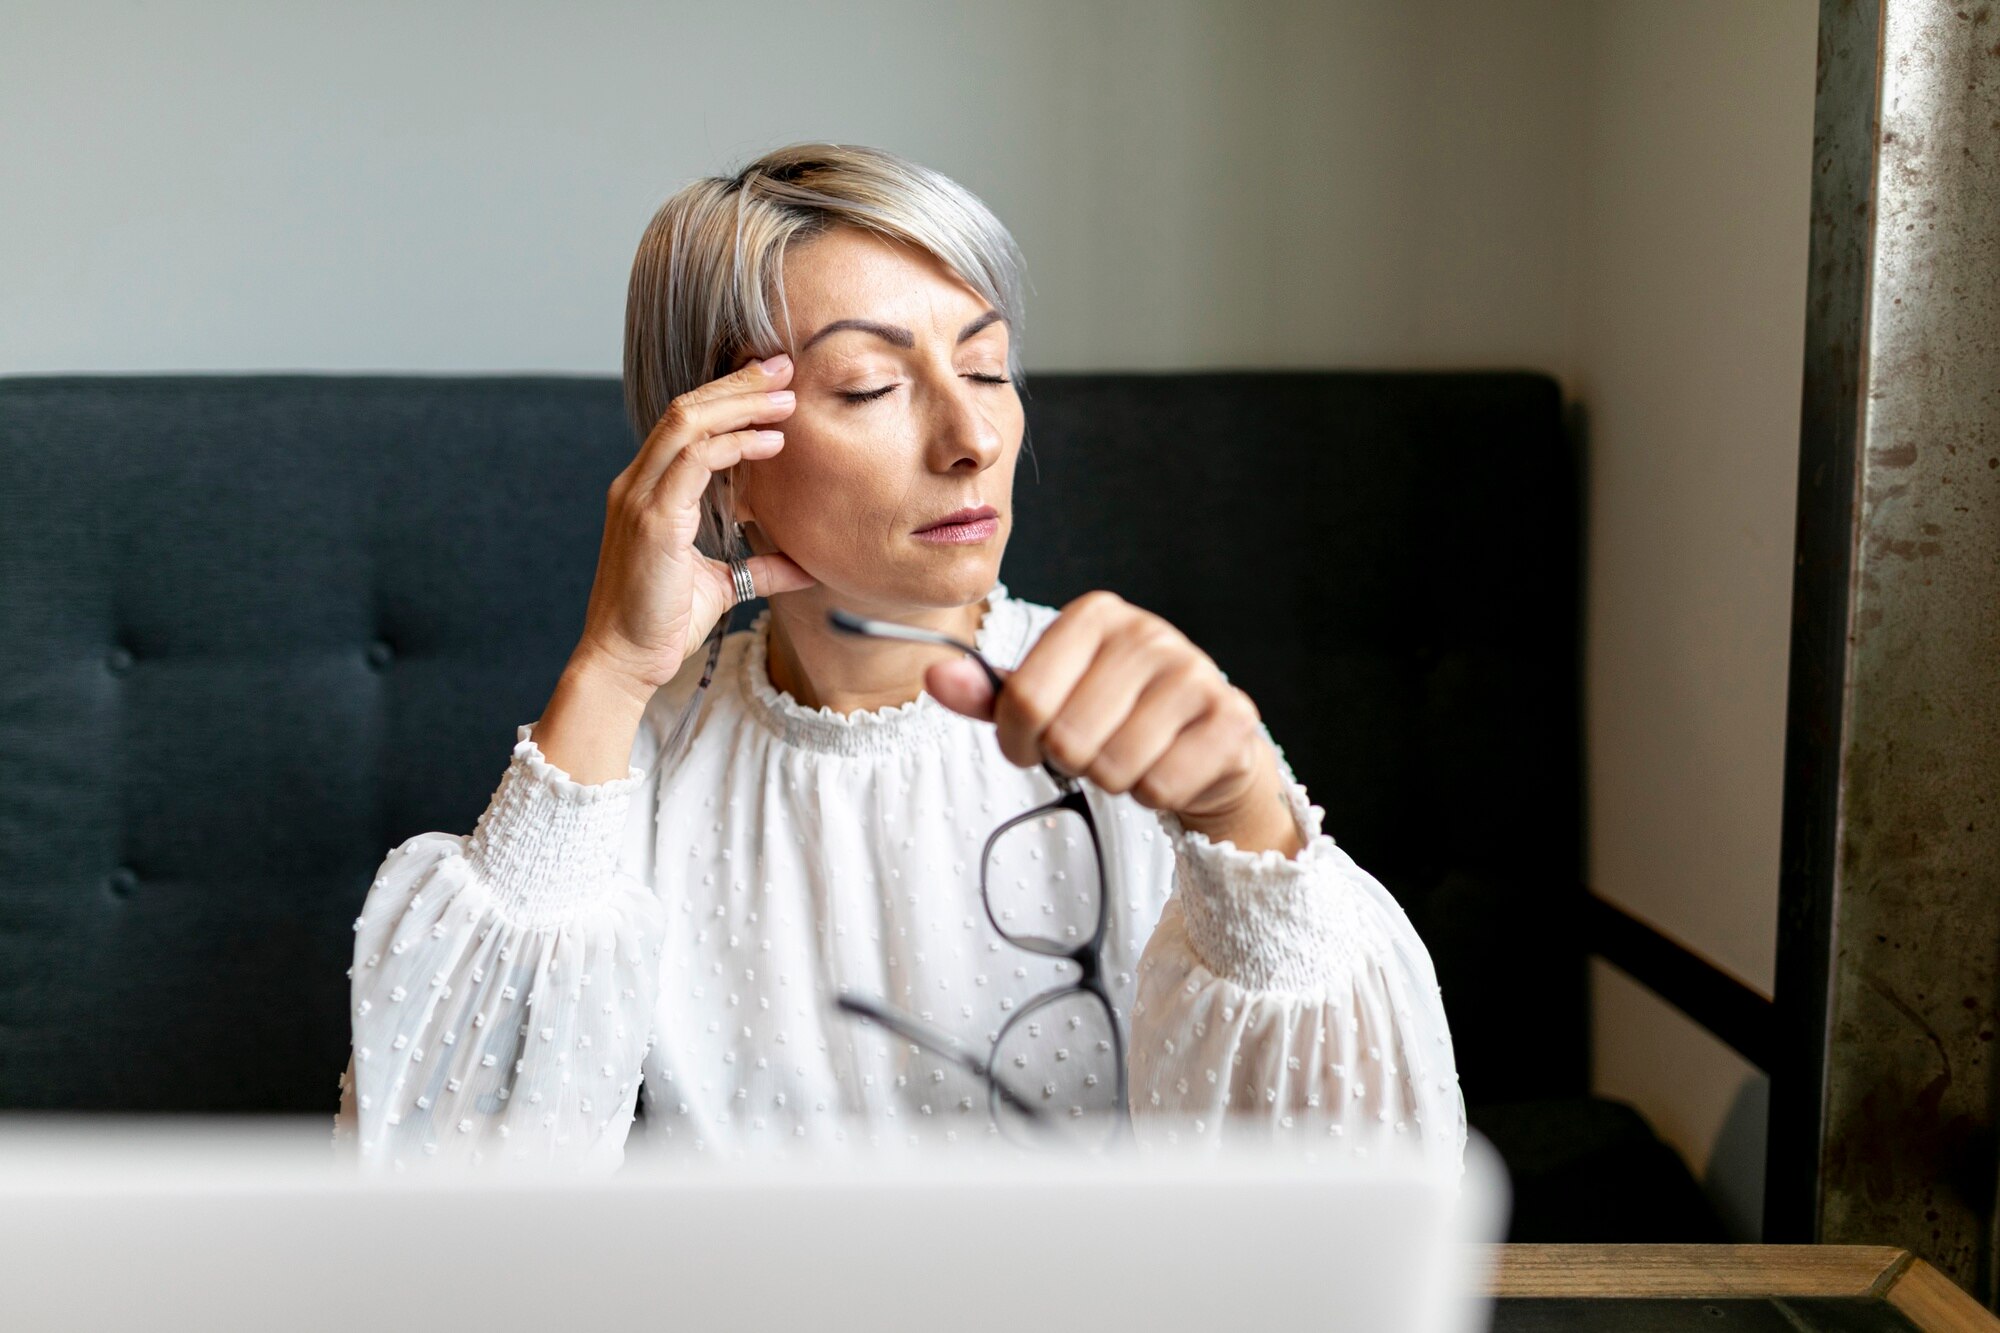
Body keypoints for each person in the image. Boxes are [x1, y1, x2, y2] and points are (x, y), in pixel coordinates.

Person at [333, 142, 1465, 1173]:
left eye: (985, 368)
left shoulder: (1127, 714)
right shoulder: (647, 768)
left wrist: (1243, 821)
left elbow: (1359, 1197)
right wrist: (613, 671)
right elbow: (437, 1199)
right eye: (871, 385)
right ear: (726, 457)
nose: (971, 439)